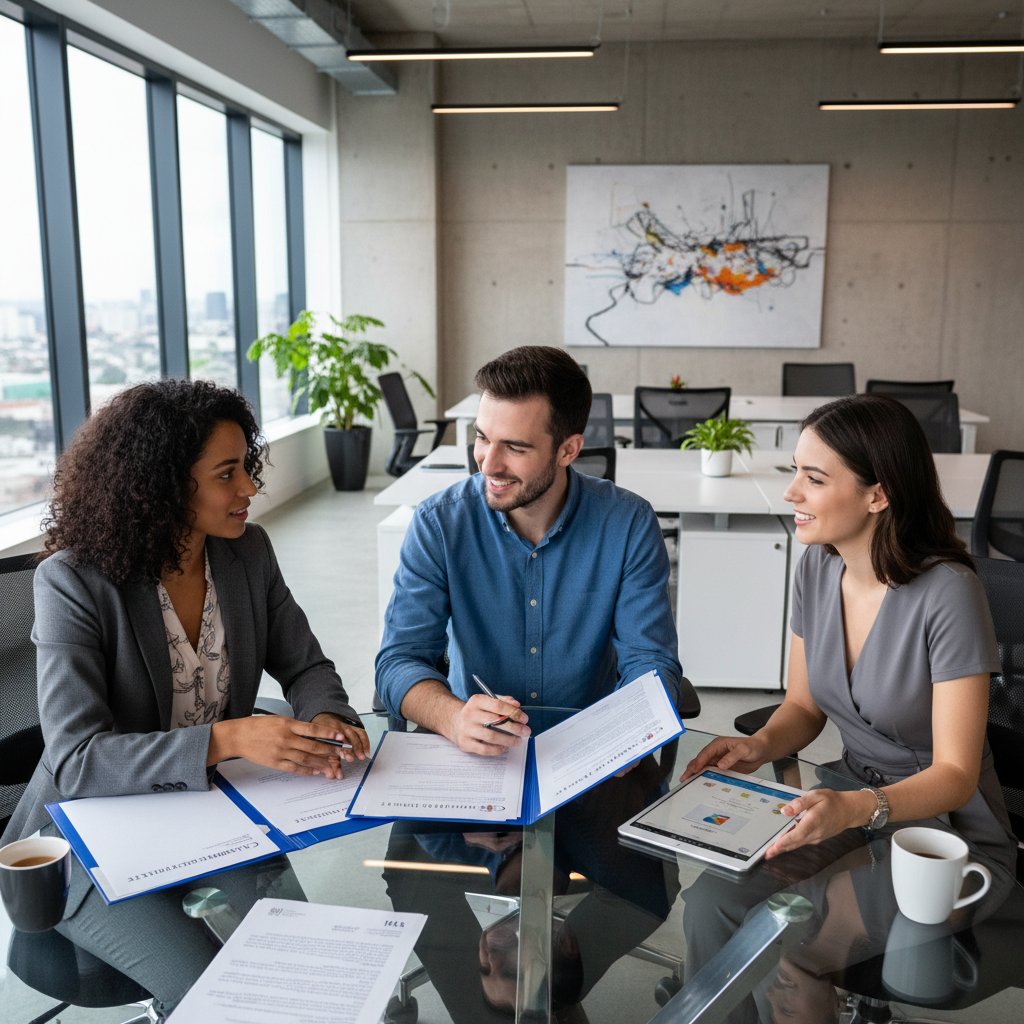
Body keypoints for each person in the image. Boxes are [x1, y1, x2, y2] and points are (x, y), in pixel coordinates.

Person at [2, 378, 370, 1016]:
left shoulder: (246, 552)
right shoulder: (73, 582)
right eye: (226, 474)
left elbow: (305, 664)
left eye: (246, 468)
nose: (249, 489)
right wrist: (228, 738)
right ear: (164, 484)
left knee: (298, 964)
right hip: (86, 838)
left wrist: (328, 717)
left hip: (210, 816)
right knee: (218, 996)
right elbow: (78, 760)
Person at [684, 393, 1015, 868]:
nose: (790, 492)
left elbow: (957, 774)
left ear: (878, 494)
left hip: (942, 832)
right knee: (716, 898)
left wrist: (859, 807)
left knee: (822, 933)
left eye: (814, 479)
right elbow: (802, 706)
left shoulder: (950, 593)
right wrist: (759, 745)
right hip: (847, 799)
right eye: (795, 471)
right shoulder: (816, 569)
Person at [375, 345, 682, 752]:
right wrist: (452, 717)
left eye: (515, 448)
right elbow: (398, 660)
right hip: (473, 755)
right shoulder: (439, 523)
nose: (488, 464)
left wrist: (633, 730)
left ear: (568, 450)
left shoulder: (628, 523)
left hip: (591, 753)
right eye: (483, 438)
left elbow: (649, 659)